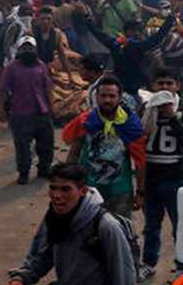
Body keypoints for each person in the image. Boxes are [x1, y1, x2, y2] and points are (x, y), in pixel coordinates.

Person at [7, 164, 135, 285]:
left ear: (82, 191)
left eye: (66, 189)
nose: (57, 195)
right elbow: (42, 255)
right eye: (53, 188)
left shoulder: (105, 226)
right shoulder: (54, 217)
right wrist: (21, 278)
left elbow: (123, 276)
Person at [137, 70, 183, 284]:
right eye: (160, 83)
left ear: (177, 86)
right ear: (153, 86)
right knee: (151, 225)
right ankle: (149, 263)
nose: (164, 87)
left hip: (177, 176)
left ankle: (182, 266)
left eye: (169, 83)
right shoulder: (146, 108)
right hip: (152, 176)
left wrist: (171, 115)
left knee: (180, 226)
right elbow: (137, 138)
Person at [62, 76, 145, 217]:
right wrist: (67, 184)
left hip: (120, 192)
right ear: (97, 97)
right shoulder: (85, 121)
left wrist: (141, 193)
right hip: (88, 190)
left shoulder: (131, 125)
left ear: (120, 98)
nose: (107, 100)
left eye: (112, 96)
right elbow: (74, 153)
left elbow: (140, 162)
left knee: (121, 233)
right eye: (103, 96)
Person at [0, 36, 54, 184]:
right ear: (19, 50)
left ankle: (44, 167)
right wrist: (2, 110)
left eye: (30, 47)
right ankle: (24, 172)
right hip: (20, 112)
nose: (28, 50)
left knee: (46, 142)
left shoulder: (41, 66)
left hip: (41, 110)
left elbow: (47, 86)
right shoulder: (10, 68)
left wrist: (51, 105)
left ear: (35, 50)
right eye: (24, 47)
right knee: (22, 145)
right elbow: (3, 90)